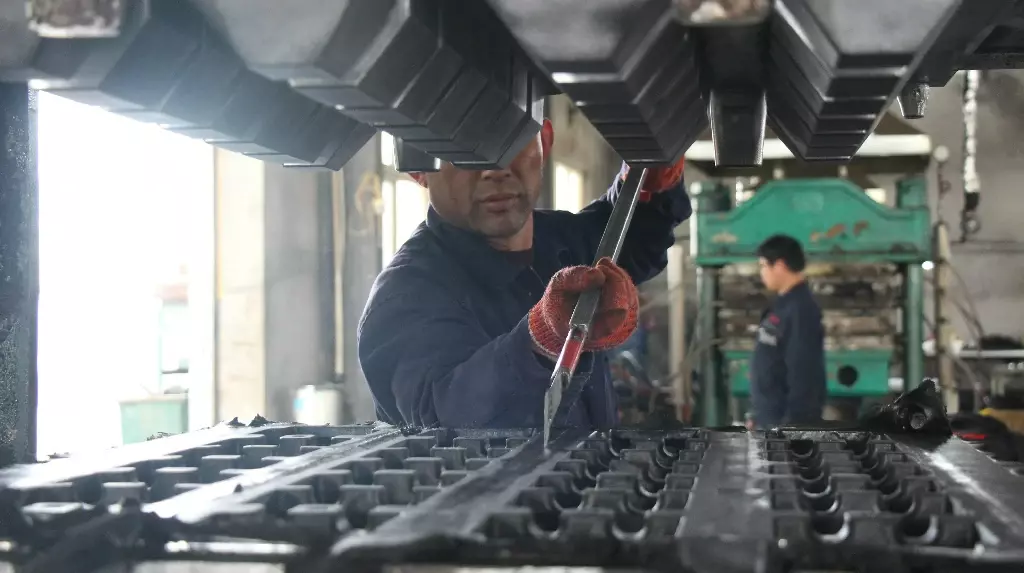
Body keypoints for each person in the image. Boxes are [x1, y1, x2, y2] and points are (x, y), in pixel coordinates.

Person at [357, 119, 691, 428]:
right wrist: (540, 341)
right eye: (464, 150)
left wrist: (652, 185)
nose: (496, 169)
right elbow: (445, 418)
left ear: (544, 141)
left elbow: (630, 239)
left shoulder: (559, 238)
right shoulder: (405, 294)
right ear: (419, 167)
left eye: (512, 139)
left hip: (588, 483)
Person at [747, 234, 826, 429]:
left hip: (785, 424)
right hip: (770, 418)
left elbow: (803, 370)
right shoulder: (782, 306)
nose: (762, 273)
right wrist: (758, 415)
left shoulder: (801, 309)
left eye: (763, 266)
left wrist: (793, 425)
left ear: (780, 266)